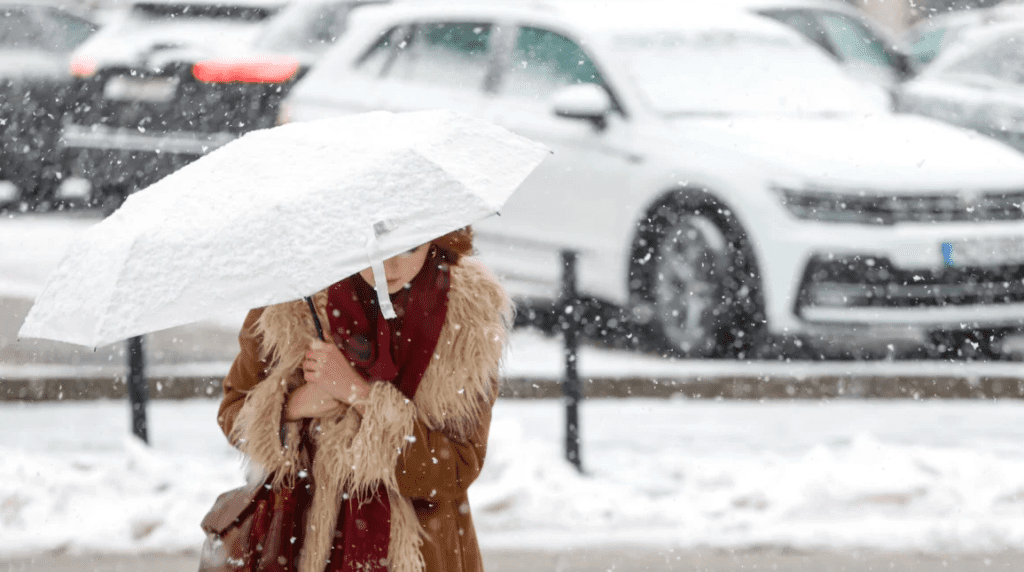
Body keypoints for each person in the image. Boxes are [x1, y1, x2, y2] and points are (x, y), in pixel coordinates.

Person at [216, 226, 511, 572]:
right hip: (305, 541)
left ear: (436, 238)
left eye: (410, 248)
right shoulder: (292, 303)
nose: (390, 268)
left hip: (421, 552)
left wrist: (360, 395)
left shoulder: (466, 317)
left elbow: (456, 468)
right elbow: (234, 414)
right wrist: (295, 405)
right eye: (374, 250)